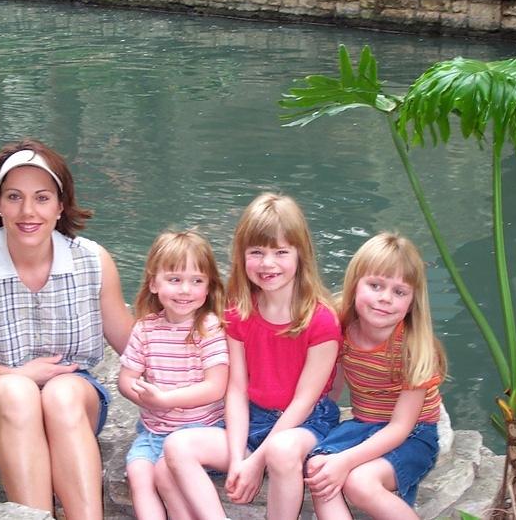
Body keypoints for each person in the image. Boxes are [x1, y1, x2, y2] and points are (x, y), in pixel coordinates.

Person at [0, 138, 134, 520]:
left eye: (42, 197)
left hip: (72, 404)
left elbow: (134, 344)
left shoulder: (92, 260)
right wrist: (17, 374)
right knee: (18, 391)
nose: (28, 211)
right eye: (14, 197)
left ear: (60, 204)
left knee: (64, 391)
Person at [162, 192, 341, 520]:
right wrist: (236, 460)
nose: (267, 263)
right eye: (256, 252)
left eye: (280, 252)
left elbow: (304, 401)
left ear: (301, 255)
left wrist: (256, 463)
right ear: (241, 255)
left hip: (305, 422)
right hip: (253, 419)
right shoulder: (239, 312)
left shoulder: (321, 321)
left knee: (282, 452)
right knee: (176, 447)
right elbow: (236, 389)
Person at [304, 232, 447, 520]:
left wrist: (345, 460)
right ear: (355, 283)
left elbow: (399, 427)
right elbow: (332, 381)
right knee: (320, 468)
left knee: (359, 481)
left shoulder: (415, 346)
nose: (385, 299)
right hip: (364, 424)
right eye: (375, 285)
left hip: (413, 433)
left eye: (399, 292)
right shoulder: (339, 322)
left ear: (412, 300)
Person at [118, 230, 229, 520]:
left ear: (208, 287)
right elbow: (125, 379)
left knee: (165, 471)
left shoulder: (210, 327)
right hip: (153, 431)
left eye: (196, 281)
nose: (185, 291)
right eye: (175, 279)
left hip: (202, 431)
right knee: (139, 473)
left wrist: (165, 400)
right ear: (154, 283)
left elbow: (216, 387)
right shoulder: (145, 329)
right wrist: (140, 394)